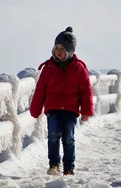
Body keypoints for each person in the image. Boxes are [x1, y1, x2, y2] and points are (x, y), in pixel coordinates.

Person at [30, 26, 94, 176]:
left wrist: (86, 111)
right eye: (56, 48)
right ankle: (54, 164)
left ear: (70, 51)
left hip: (71, 110)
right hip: (53, 108)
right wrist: (36, 108)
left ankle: (69, 167)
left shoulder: (79, 68)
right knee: (53, 135)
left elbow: (86, 91)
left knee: (68, 139)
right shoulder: (48, 67)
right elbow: (40, 90)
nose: (58, 51)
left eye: (62, 48)